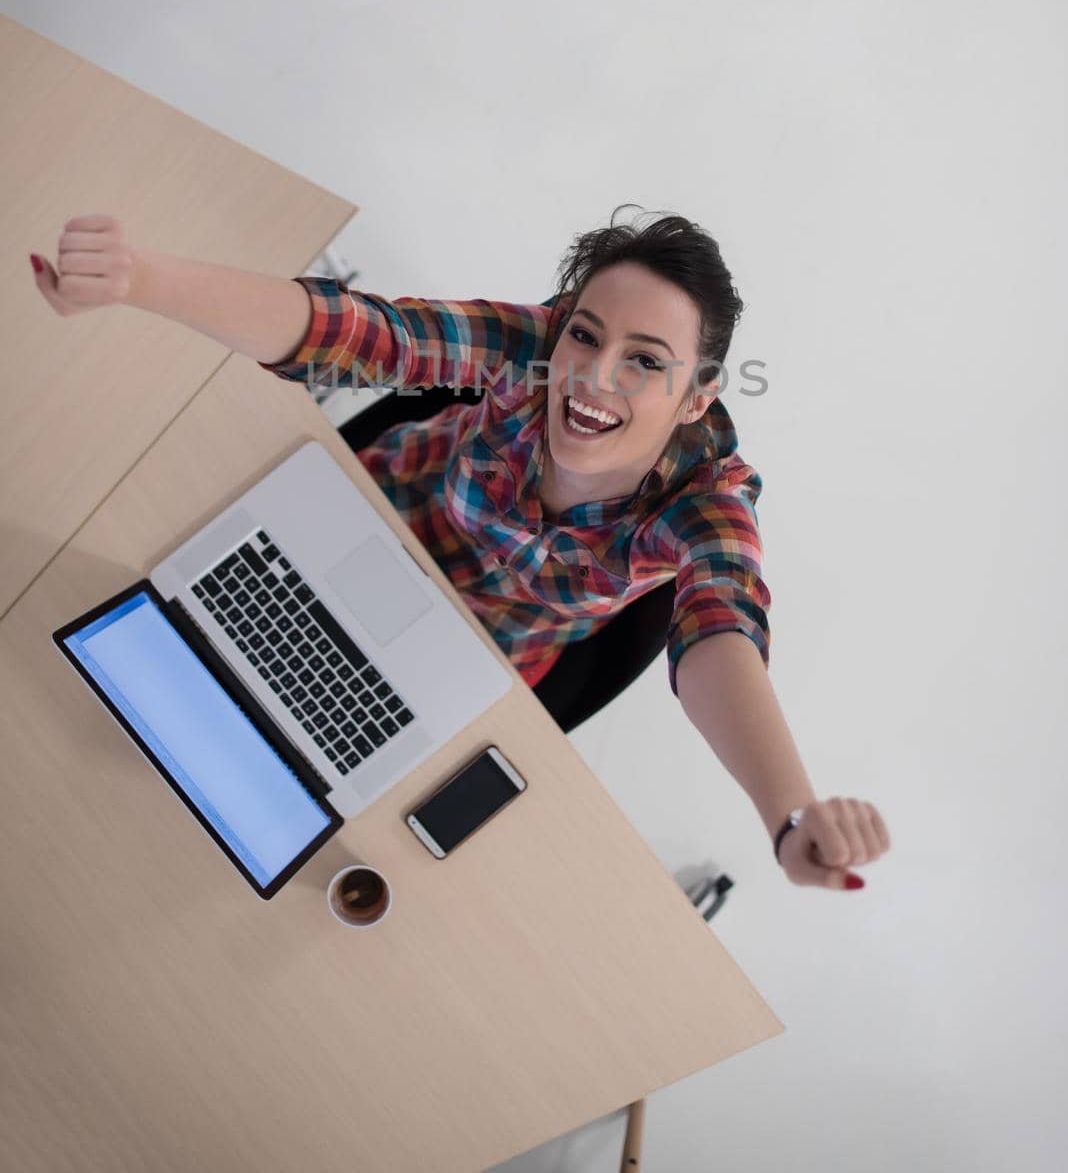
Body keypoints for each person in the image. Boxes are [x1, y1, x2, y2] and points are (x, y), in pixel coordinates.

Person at [29, 204, 891, 893]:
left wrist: (788, 817)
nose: (592, 376)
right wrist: (139, 278)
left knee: (238, 817)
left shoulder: (709, 502)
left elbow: (720, 631)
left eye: (645, 361)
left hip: (453, 659)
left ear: (697, 398)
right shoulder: (531, 347)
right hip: (344, 522)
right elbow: (360, 332)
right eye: (584, 335)